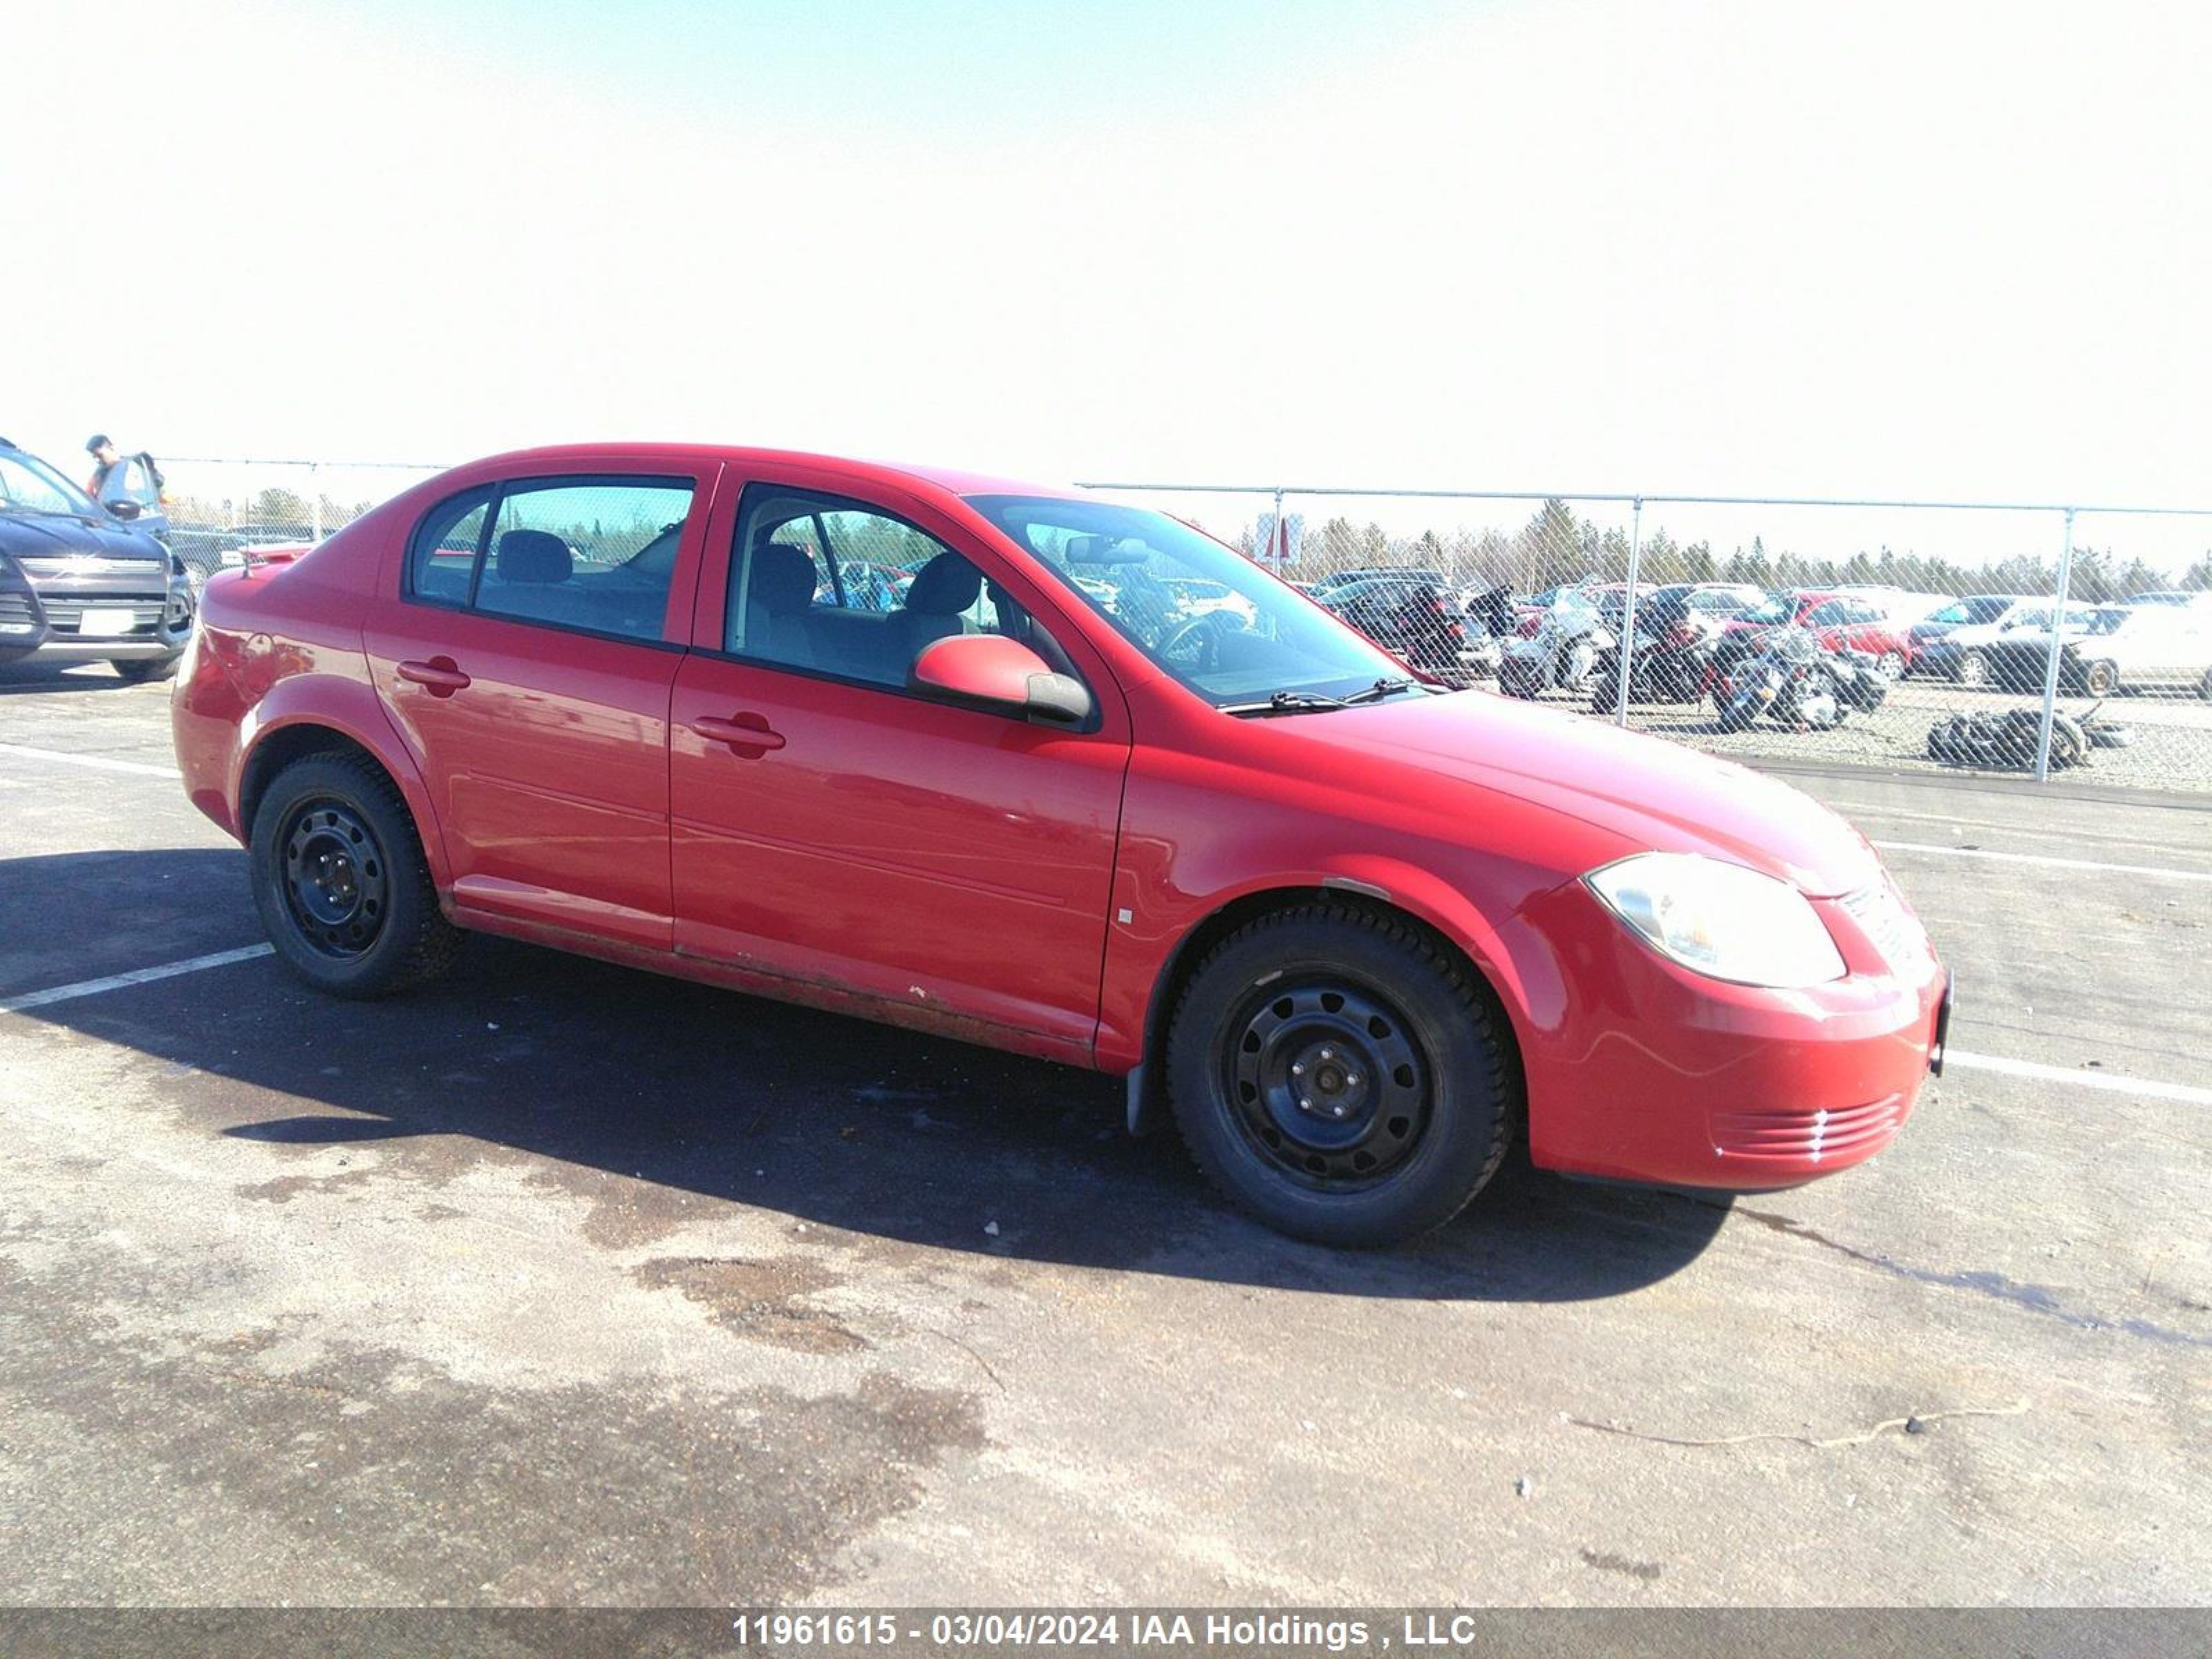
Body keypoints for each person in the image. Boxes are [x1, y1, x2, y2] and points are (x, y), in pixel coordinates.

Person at [84, 434, 165, 506]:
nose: (97, 461)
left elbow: (158, 486)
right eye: (94, 457)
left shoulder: (136, 464)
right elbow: (89, 498)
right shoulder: (98, 475)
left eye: (99, 456)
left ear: (111, 448)